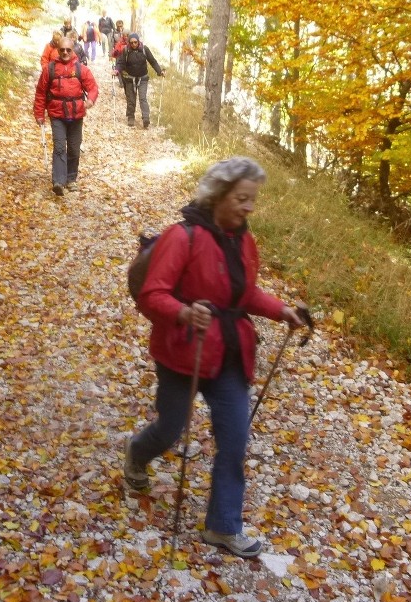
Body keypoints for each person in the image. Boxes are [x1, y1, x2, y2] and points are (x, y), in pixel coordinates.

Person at [125, 157, 304, 558]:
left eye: (252, 199)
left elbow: (243, 295)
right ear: (219, 194)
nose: (249, 207)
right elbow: (154, 294)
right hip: (182, 354)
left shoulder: (243, 240)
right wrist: (184, 312)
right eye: (242, 198)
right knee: (171, 429)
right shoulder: (181, 236)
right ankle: (138, 454)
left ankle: (223, 526)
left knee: (235, 440)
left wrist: (281, 310)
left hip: (229, 355)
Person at [33, 37, 99, 196]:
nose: (65, 52)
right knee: (59, 147)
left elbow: (93, 87)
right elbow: (41, 93)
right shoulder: (49, 69)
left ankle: (71, 179)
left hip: (76, 114)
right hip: (56, 113)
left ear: (73, 50)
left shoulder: (81, 69)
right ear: (57, 50)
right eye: (62, 49)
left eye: (68, 50)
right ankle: (58, 181)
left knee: (75, 148)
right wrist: (39, 113)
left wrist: (90, 100)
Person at [115, 33, 164, 128]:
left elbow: (152, 61)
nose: (134, 44)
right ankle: (130, 117)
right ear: (129, 42)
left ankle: (146, 118)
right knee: (131, 100)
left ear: (138, 41)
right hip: (130, 79)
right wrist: (116, 71)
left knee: (143, 98)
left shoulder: (145, 49)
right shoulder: (126, 50)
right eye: (131, 42)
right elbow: (120, 63)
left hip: (143, 78)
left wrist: (159, 71)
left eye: (135, 42)